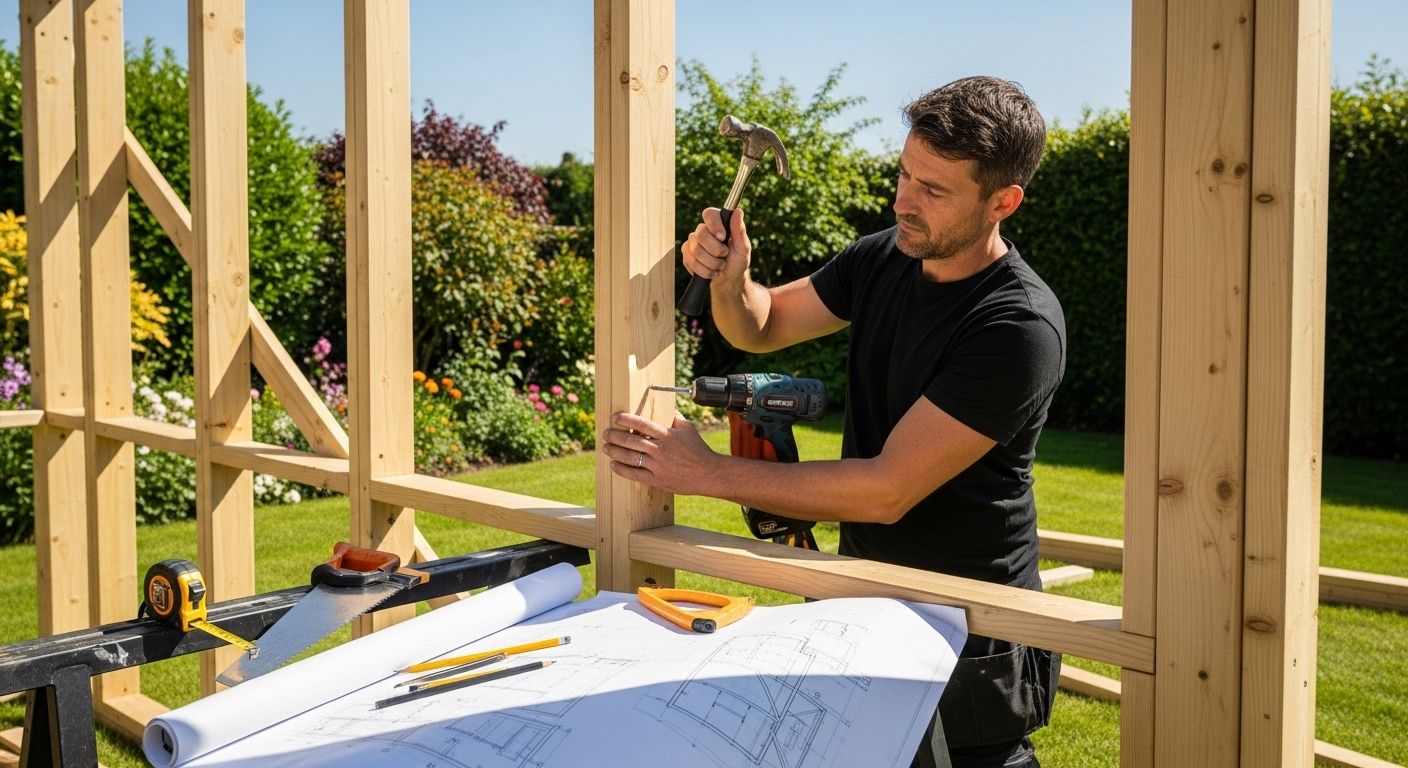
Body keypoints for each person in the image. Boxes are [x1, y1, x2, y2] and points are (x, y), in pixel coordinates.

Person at [601, 75, 1065, 768]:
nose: (904, 201)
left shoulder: (1016, 326)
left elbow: (886, 490)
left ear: (1004, 202)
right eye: (905, 173)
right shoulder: (885, 257)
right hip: (867, 601)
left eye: (934, 191)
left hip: (970, 629)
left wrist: (707, 473)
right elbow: (760, 326)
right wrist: (733, 277)